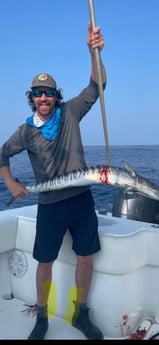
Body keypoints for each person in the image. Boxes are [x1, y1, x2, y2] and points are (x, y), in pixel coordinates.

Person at [0, 22, 106, 340]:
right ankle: (42, 318)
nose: (43, 97)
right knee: (44, 262)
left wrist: (94, 51)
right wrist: (10, 183)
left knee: (86, 256)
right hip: (48, 204)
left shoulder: (71, 111)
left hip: (81, 200)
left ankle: (80, 314)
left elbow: (98, 84)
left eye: (48, 92)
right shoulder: (25, 131)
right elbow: (2, 155)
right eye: (37, 93)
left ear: (55, 95)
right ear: (31, 98)